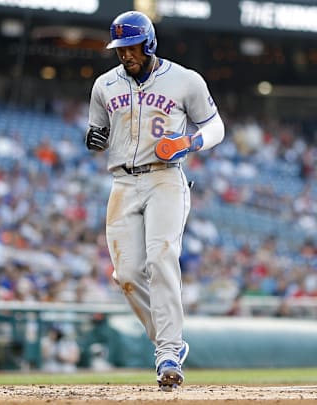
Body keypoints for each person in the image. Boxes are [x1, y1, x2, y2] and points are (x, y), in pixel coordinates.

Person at [85, 11, 224, 391]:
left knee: (161, 257)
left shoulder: (185, 80)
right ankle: (172, 343)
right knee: (127, 275)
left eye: (131, 47)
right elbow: (97, 130)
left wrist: (190, 142)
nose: (125, 55)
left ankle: (166, 352)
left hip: (165, 178)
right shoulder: (104, 85)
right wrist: (94, 138)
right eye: (120, 49)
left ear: (148, 44)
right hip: (122, 183)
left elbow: (215, 125)